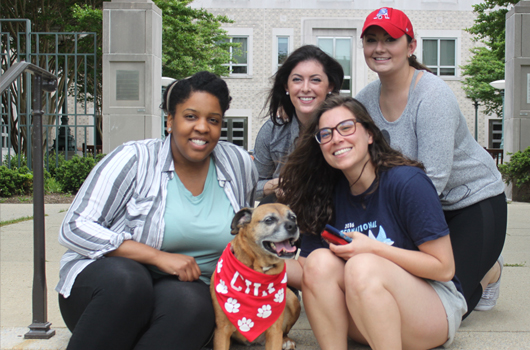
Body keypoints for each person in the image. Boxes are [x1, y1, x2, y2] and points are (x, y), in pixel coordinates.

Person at [56, 71, 258, 350]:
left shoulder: (237, 163)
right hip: (109, 294)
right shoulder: (134, 157)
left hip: (177, 296)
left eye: (213, 120)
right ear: (169, 121)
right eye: (190, 116)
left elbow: (245, 234)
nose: (202, 127)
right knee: (130, 279)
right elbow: (74, 227)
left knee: (195, 304)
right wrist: (157, 257)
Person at [278, 96, 467, 349]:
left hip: (431, 309)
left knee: (362, 265)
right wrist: (250, 260)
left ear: (369, 134)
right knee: (319, 261)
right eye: (325, 134)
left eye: (346, 127)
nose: (336, 139)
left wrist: (373, 249)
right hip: (366, 312)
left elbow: (443, 268)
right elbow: (308, 273)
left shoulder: (407, 183)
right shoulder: (323, 195)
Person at [355, 7, 507, 318]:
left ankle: (490, 271)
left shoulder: (432, 96)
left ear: (410, 47)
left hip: (470, 203)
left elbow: (433, 180)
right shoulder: (365, 100)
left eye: (390, 39)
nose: (379, 48)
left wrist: (392, 241)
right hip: (418, 206)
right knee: (402, 293)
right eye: (371, 40)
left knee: (442, 308)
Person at [253, 44, 344, 203]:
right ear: (286, 86)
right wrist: (273, 186)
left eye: (315, 80)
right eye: (297, 80)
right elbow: (252, 187)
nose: (306, 88)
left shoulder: (344, 127)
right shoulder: (273, 130)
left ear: (330, 86)